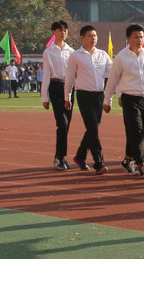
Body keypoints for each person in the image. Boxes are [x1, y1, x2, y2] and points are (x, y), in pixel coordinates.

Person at [103, 23, 144, 178]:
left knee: (143, 128)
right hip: (129, 98)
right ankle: (141, 165)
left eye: (141, 37)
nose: (140, 40)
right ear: (128, 38)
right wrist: (108, 99)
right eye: (136, 37)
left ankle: (128, 158)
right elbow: (113, 79)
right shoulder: (121, 57)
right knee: (136, 131)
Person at [64, 25, 113, 174]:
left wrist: (110, 97)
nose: (93, 38)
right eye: (90, 36)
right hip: (84, 95)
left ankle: (80, 156)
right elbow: (69, 78)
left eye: (95, 36)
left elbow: (112, 74)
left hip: (99, 95)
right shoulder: (76, 56)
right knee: (92, 128)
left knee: (93, 129)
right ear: (82, 38)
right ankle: (99, 163)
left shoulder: (103, 55)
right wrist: (67, 97)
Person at [41, 20, 75, 169]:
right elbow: (46, 74)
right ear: (53, 32)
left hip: (69, 88)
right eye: (60, 30)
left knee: (66, 124)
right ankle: (59, 157)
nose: (63, 33)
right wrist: (44, 97)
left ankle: (60, 157)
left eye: (65, 30)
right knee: (62, 123)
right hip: (55, 87)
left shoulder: (71, 51)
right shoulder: (48, 52)